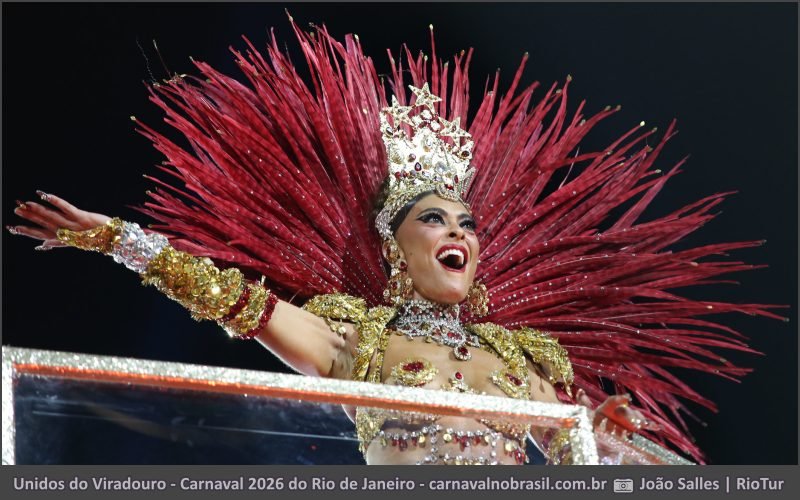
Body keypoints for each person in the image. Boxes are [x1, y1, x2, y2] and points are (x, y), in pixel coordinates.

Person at [7, 19, 780, 464]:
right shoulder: (356, 342)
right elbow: (232, 299)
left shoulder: (529, 362)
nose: (458, 233)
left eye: (467, 222)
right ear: (393, 250)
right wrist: (120, 241)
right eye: (434, 220)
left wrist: (605, 436)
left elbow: (580, 454)